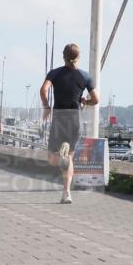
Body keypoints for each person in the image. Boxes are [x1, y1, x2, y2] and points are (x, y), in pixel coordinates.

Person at [40, 43, 99, 204]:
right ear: (78, 57)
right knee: (70, 159)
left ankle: (60, 157)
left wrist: (46, 107)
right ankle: (66, 194)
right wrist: (85, 101)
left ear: (63, 56)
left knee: (52, 159)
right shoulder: (85, 76)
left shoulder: (55, 73)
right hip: (75, 119)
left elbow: (43, 90)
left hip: (59, 118)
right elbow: (96, 99)